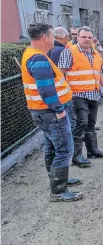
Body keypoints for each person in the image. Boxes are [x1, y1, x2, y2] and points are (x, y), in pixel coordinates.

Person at [21, 23, 83, 202]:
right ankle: (58, 190)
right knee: (64, 148)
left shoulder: (32, 54)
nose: (55, 40)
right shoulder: (38, 58)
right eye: (52, 36)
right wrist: (59, 110)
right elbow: (46, 90)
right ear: (45, 38)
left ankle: (58, 179)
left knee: (52, 146)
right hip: (50, 112)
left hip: (42, 111)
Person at [59, 26, 103, 167]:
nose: (87, 40)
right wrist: (63, 93)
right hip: (77, 94)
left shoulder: (95, 53)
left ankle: (93, 150)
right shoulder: (69, 52)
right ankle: (76, 155)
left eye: (89, 37)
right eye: (83, 37)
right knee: (81, 123)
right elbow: (60, 74)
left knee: (91, 123)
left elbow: (99, 74)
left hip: (93, 93)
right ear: (77, 37)